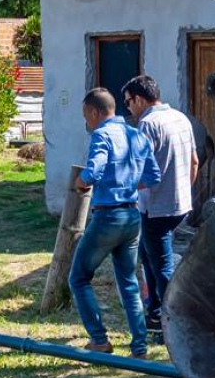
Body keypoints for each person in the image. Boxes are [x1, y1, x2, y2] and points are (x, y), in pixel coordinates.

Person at [69, 88, 161, 357]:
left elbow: (94, 170)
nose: (87, 123)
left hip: (108, 216)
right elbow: (153, 176)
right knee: (128, 281)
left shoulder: (102, 135)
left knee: (78, 277)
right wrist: (129, 185)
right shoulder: (137, 134)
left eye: (87, 117)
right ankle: (140, 345)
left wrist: (81, 181)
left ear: (95, 113)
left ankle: (99, 340)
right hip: (132, 216)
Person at [122, 75, 198, 340]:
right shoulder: (180, 118)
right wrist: (184, 191)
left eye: (129, 102)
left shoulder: (147, 125)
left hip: (156, 206)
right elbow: (195, 162)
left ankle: (172, 321)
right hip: (180, 203)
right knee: (148, 255)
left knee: (162, 264)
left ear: (140, 99)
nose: (128, 108)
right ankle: (155, 311)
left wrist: (124, 191)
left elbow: (140, 171)